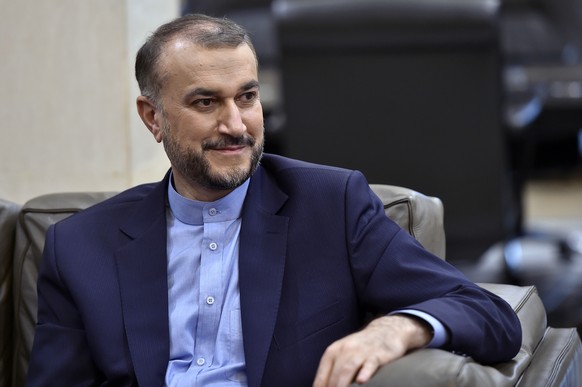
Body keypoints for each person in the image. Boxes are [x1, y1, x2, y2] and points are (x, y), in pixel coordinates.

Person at [26, 13, 521, 387]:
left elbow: (488, 314)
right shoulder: (80, 244)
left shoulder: (332, 206)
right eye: (206, 102)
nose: (236, 125)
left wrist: (395, 330)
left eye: (246, 97)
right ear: (152, 117)